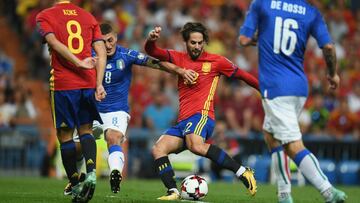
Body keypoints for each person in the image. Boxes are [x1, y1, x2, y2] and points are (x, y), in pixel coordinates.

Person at [238, 0, 347, 203]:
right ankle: (284, 194)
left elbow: (244, 39)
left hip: (276, 88)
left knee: (293, 145)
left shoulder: (261, 4)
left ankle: (328, 192)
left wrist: (259, 37)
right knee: (271, 135)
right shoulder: (311, 12)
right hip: (299, 87)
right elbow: (329, 48)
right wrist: (332, 74)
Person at [145, 22, 259, 200]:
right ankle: (173, 191)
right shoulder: (178, 58)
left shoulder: (217, 61)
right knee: (158, 149)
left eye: (200, 42)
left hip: (202, 115)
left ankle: (243, 172)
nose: (197, 46)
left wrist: (263, 91)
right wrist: (151, 41)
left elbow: (243, 76)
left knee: (195, 145)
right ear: (186, 43)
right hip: (183, 121)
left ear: (204, 42)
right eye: (193, 43)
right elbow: (152, 52)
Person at [91, 23, 197, 194]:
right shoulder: (90, 56)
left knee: (114, 137)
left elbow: (154, 63)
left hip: (116, 110)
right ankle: (77, 177)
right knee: (79, 144)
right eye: (103, 42)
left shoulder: (126, 54)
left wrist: (180, 71)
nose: (108, 45)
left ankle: (115, 173)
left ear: (116, 38)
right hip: (92, 109)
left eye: (110, 40)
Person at [36, 0, 107, 202]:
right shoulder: (88, 16)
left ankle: (75, 185)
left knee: (65, 136)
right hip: (87, 84)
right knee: (85, 131)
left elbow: (54, 43)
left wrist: (78, 62)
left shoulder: (45, 16)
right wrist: (99, 83)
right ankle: (91, 172)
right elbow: (101, 52)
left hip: (63, 84)